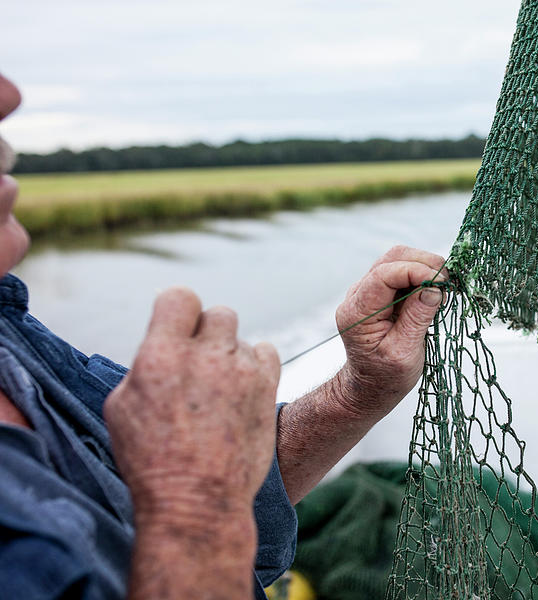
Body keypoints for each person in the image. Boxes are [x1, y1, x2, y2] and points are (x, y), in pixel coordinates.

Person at [0, 72, 448, 599]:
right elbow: (197, 487)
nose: (10, 96)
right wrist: (193, 507)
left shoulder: (10, 331)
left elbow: (222, 472)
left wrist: (358, 392)